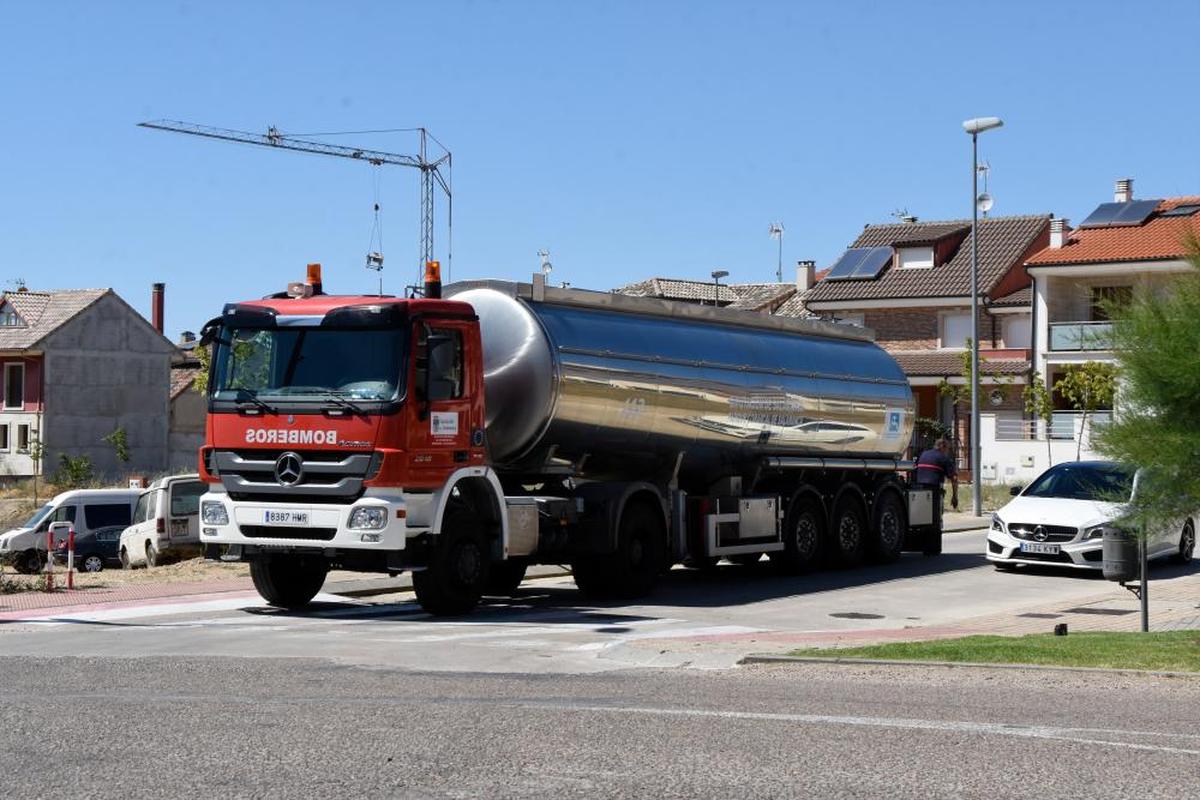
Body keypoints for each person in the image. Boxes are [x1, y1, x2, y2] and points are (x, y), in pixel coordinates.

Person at [915, 437, 959, 511]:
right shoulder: (943, 458)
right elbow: (954, 478)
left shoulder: (924, 454)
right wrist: (955, 496)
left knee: (923, 512)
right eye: (947, 449)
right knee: (935, 513)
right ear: (943, 447)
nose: (947, 451)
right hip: (934, 488)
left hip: (918, 488)